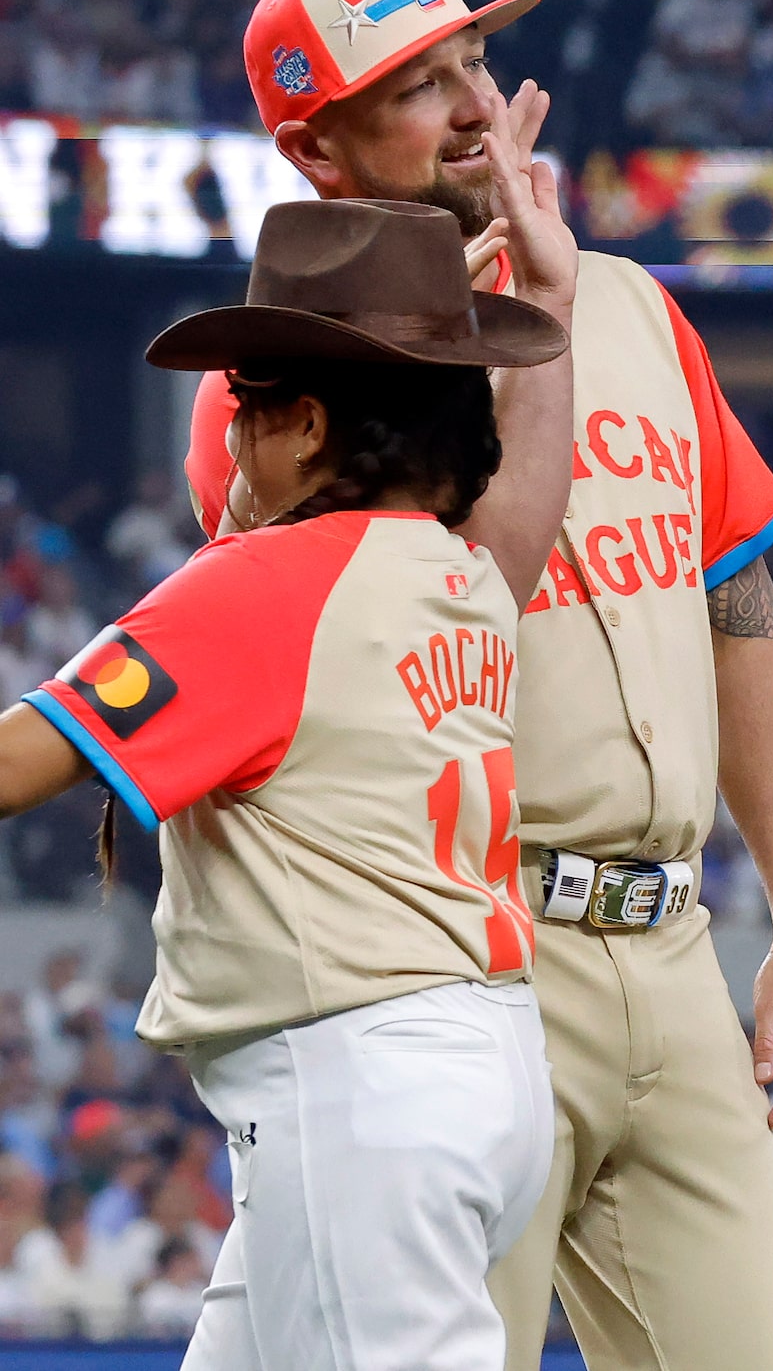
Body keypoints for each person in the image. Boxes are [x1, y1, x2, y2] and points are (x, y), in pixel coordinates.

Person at [185, 0, 773, 1371]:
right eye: (419, 87)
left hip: (670, 948)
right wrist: (499, 322)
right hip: (455, 961)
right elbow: (401, 604)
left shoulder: (628, 306)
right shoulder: (291, 382)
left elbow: (737, 610)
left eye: (474, 61)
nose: (475, 105)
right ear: (320, 148)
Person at [0, 198, 570, 1369]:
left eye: (250, 405)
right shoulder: (467, 571)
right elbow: (525, 493)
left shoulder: (270, 583)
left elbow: (16, 764)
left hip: (365, 1086)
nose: (235, 436)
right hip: (474, 1067)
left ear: (306, 427)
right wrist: (538, 314)